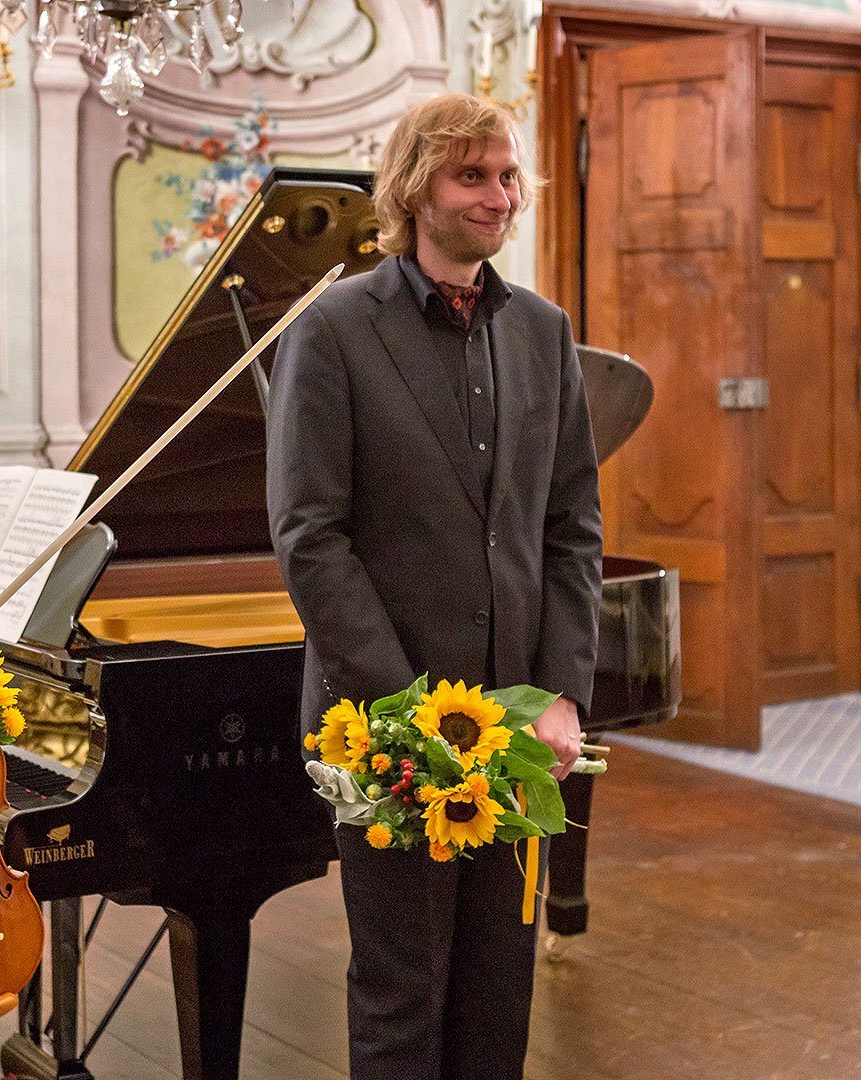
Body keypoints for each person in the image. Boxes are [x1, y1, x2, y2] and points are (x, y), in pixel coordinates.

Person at [265, 94, 602, 1079]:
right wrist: (410, 710)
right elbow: (310, 535)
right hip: (385, 725)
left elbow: (570, 525)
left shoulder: (543, 330)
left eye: (507, 176)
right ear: (414, 189)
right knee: (403, 993)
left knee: (501, 986)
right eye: (473, 175)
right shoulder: (329, 329)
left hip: (520, 722)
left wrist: (563, 692)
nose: (499, 196)